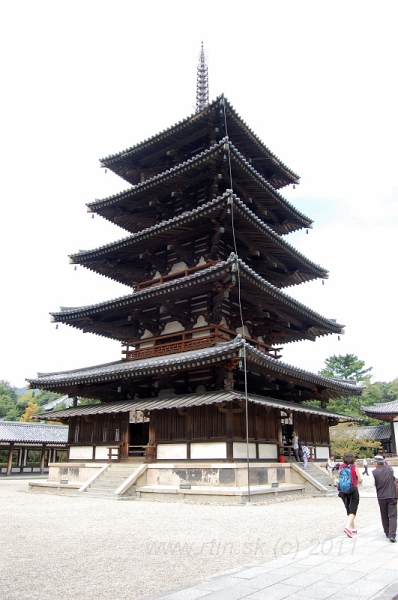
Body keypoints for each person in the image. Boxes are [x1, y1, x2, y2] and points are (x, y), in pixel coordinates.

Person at [372, 455, 397, 543]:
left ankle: (387, 532)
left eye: (374, 463)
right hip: (392, 495)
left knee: (384, 514)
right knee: (393, 515)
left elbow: (375, 484)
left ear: (377, 463)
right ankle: (392, 534)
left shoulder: (374, 472)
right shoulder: (390, 469)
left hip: (382, 496)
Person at [338, 452, 362, 538]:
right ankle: (347, 527)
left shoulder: (341, 467)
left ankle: (353, 528)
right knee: (353, 509)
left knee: (348, 508)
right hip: (353, 490)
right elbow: (359, 479)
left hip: (343, 490)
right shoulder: (354, 467)